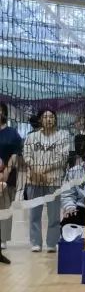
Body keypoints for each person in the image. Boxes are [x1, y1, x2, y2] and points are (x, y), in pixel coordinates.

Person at [23, 108, 72, 253]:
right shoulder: (31, 137)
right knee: (34, 214)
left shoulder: (63, 136)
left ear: (55, 119)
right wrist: (36, 171)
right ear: (40, 120)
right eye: (45, 117)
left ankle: (51, 243)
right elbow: (26, 155)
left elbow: (62, 158)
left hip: (54, 180)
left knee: (54, 215)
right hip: (35, 180)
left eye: (51, 116)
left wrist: (44, 170)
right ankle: (35, 242)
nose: (48, 119)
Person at [0, 103, 23, 250]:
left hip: (7, 177)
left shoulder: (12, 133)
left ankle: (2, 239)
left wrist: (6, 171)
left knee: (4, 208)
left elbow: (16, 154)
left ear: (4, 113)